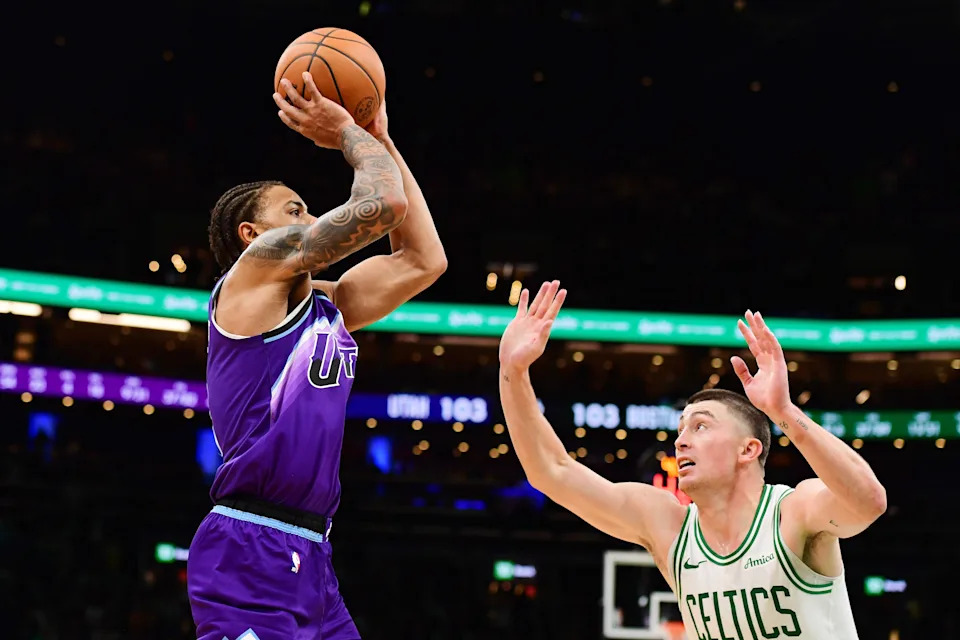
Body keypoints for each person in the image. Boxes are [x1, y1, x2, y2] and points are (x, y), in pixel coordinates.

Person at [187, 72, 447, 640]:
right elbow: (381, 203)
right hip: (247, 548)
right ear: (251, 232)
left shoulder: (327, 306)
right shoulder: (251, 275)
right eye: (296, 210)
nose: (310, 220)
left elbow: (424, 260)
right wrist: (349, 134)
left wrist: (382, 140)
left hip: (313, 553)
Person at [498, 281, 886, 639]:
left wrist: (783, 411)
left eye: (700, 427)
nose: (681, 441)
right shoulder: (669, 527)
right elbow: (552, 471)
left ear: (747, 450)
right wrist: (512, 372)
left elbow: (868, 501)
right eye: (680, 430)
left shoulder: (793, 513)